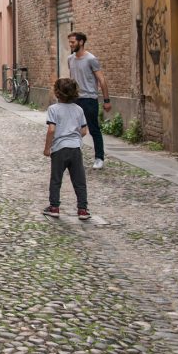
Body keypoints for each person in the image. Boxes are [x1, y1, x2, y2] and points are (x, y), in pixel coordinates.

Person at [42, 78, 90, 219]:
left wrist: (47, 148)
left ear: (57, 93)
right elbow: (84, 131)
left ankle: (54, 207)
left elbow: (51, 130)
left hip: (59, 149)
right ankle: (82, 209)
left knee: (56, 179)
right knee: (79, 180)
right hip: (75, 148)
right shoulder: (79, 109)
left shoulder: (53, 109)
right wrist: (74, 136)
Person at [67, 32, 111, 169]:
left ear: (81, 42)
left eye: (73, 42)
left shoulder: (91, 59)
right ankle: (74, 157)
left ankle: (99, 158)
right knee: (73, 129)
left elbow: (101, 80)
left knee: (93, 129)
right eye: (69, 42)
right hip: (75, 99)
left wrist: (106, 100)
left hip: (89, 99)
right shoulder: (70, 59)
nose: (70, 44)